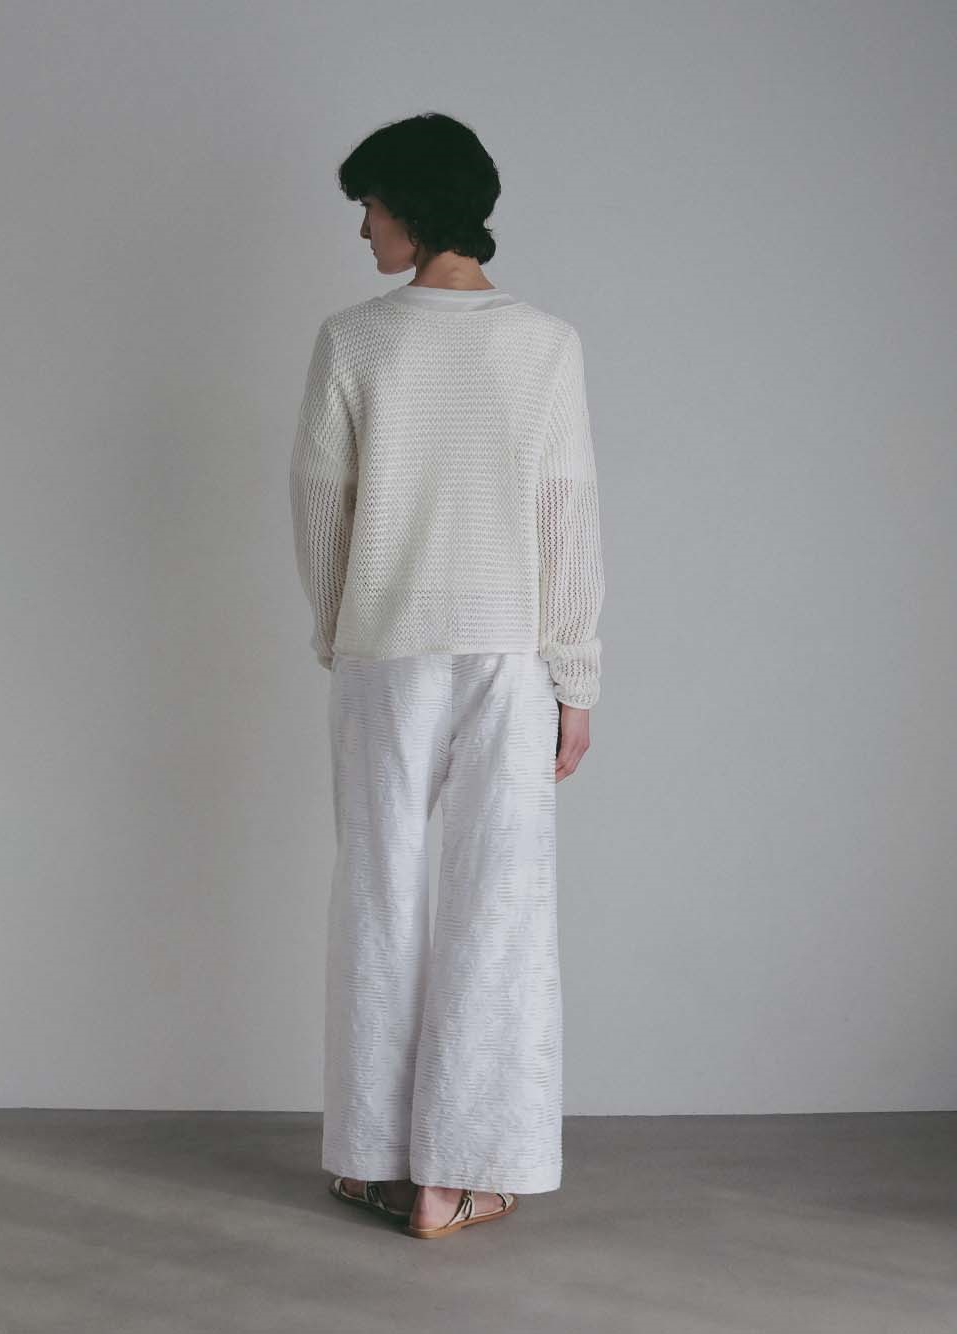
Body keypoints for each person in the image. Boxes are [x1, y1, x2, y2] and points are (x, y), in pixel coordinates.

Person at [290, 111, 605, 1239]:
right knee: (498, 906)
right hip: (510, 656)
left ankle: (375, 1161)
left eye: (368, 207)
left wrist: (340, 630)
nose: (362, 229)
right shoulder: (545, 343)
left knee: (379, 896)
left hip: (385, 651)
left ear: (411, 208)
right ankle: (457, 1176)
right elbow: (566, 514)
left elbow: (321, 505)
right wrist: (575, 674)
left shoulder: (356, 339)